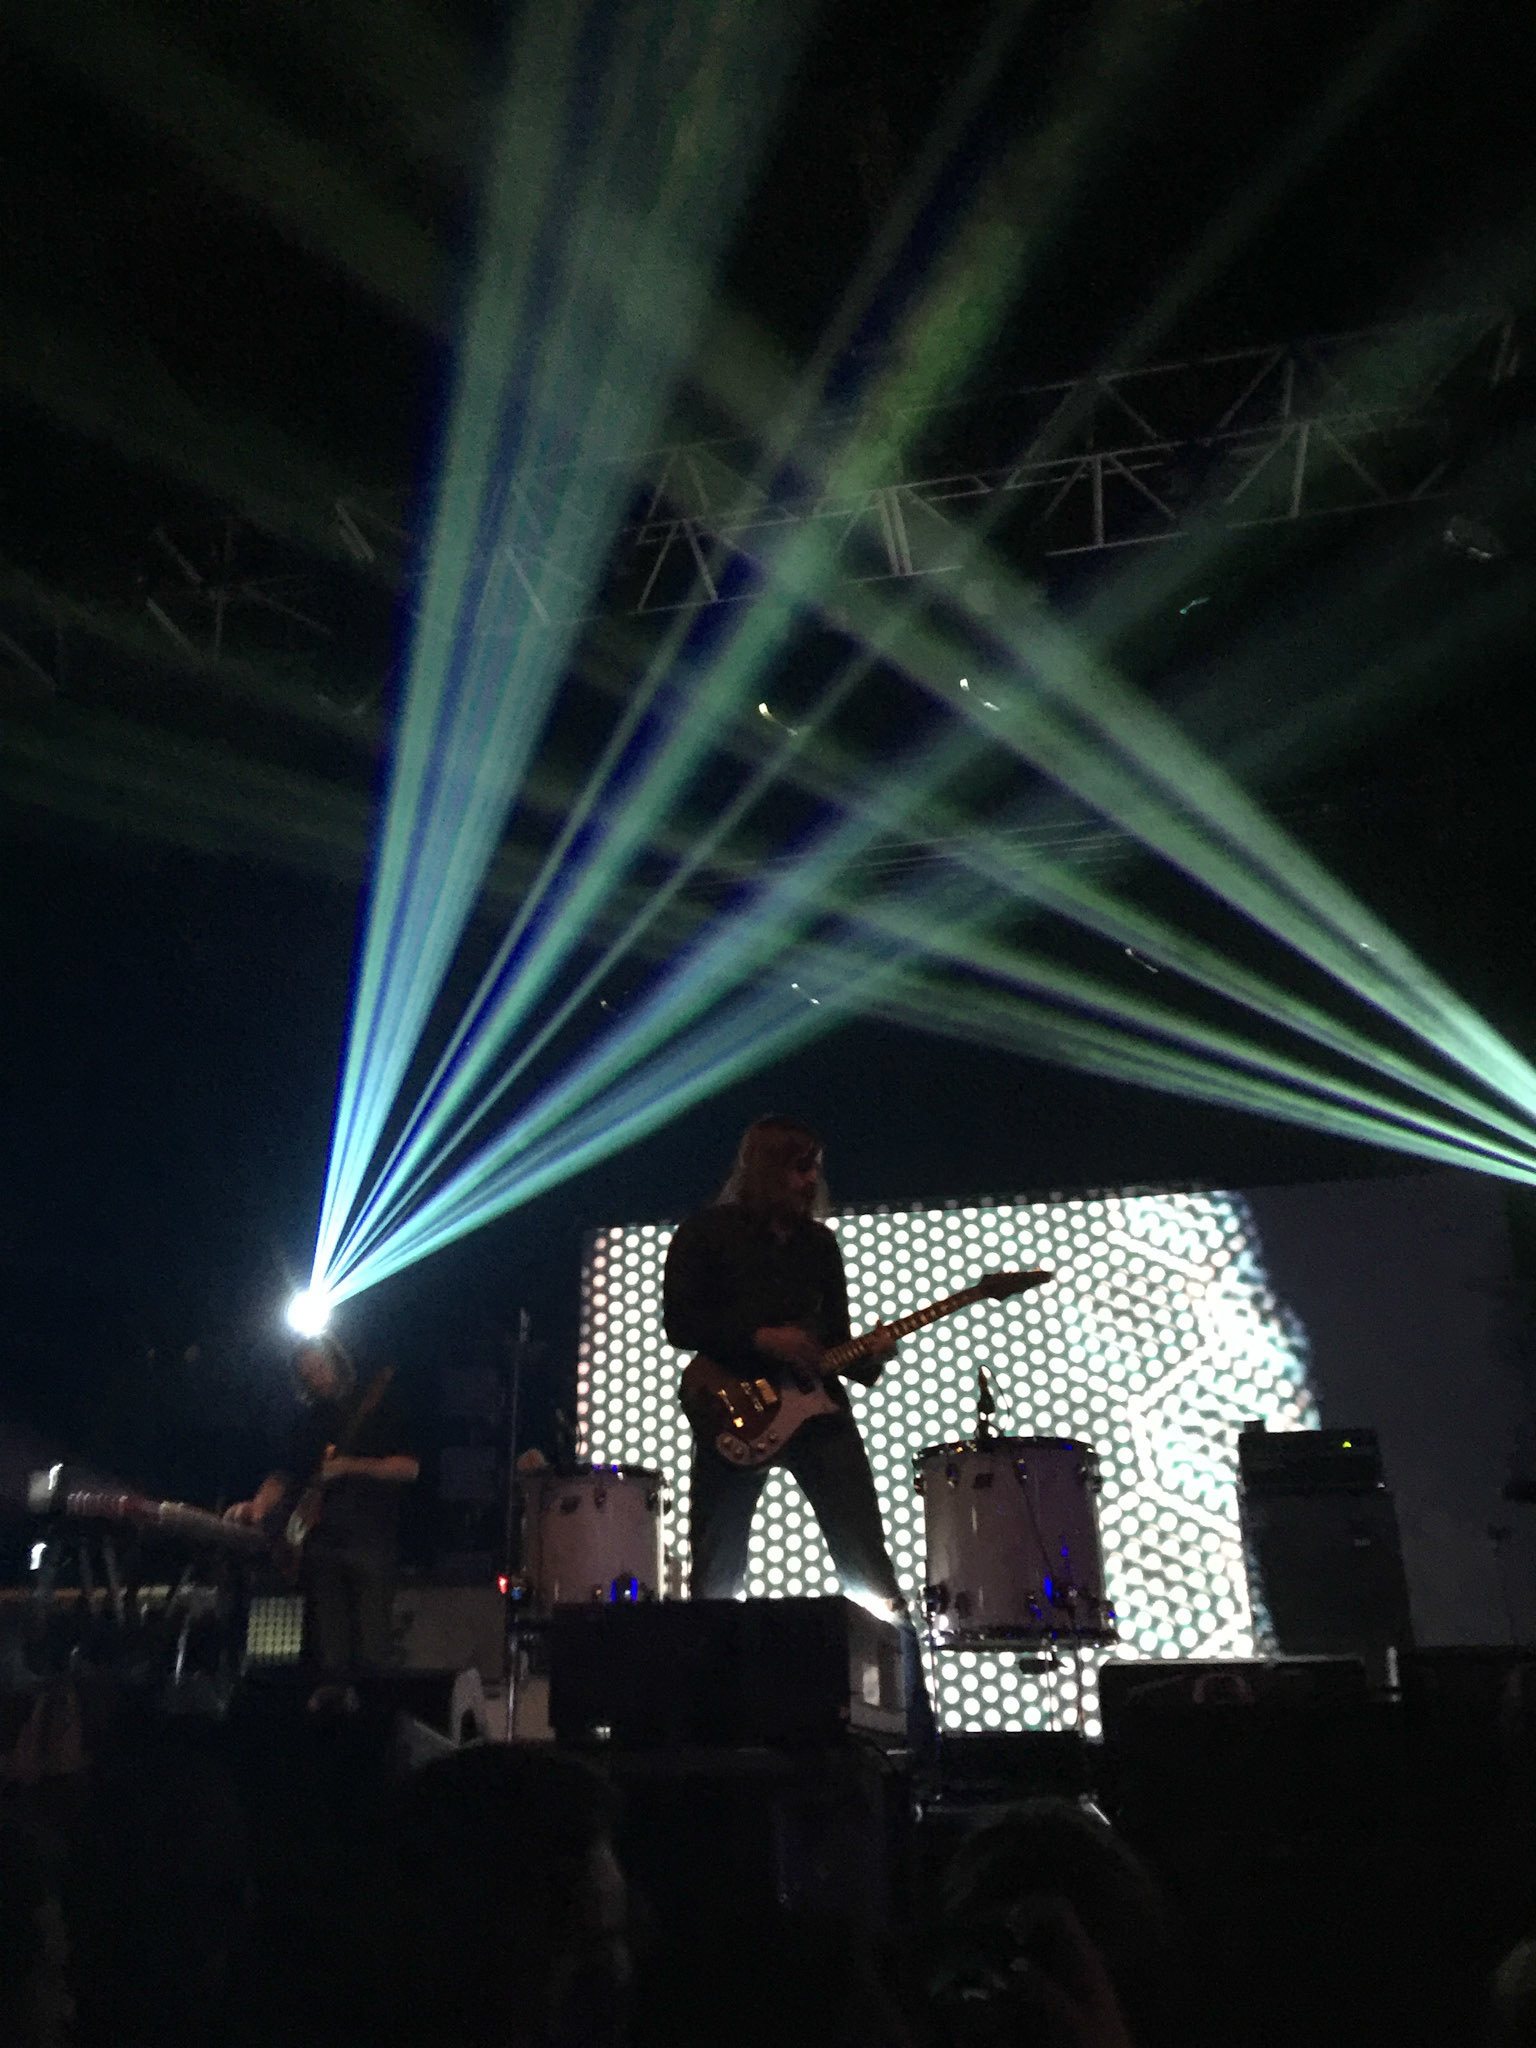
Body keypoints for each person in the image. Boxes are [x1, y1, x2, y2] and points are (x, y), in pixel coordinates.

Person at [663, 1118, 929, 1733]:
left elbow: (831, 1341)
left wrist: (870, 1356)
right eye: (798, 1168)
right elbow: (681, 1323)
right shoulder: (705, 1234)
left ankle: (911, 1725)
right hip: (734, 1407)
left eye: (815, 1168)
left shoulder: (818, 1246)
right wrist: (762, 1337)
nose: (811, 1181)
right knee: (717, 1569)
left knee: (867, 1561)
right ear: (763, 1168)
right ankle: (708, 1726)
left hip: (817, 1412)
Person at [226, 1335, 418, 1708]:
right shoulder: (309, 1423)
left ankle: (375, 1721)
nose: (317, 1378)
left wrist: (350, 1466)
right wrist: (257, 1506)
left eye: (320, 1368)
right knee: (330, 1655)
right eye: (308, 1374)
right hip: (321, 1544)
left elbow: (409, 1468)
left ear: (337, 1362)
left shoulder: (378, 1409)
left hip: (370, 1541)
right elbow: (284, 1475)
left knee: (372, 1650)